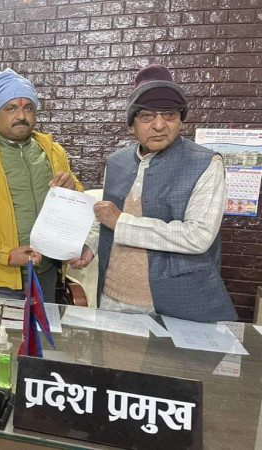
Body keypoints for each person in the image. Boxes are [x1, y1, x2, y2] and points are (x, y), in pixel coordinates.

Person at [70, 64, 237, 322]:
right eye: (147, 116)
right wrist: (91, 246)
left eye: (169, 115)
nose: (159, 125)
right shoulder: (117, 161)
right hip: (114, 297)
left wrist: (121, 222)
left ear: (180, 120)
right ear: (132, 124)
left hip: (178, 303)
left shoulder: (205, 163)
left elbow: (199, 236)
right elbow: (106, 219)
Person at [0, 68, 82, 302]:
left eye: (28, 108)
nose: (21, 115)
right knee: (1, 329)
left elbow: (76, 204)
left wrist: (73, 189)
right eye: (11, 108)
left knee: (43, 327)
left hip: (45, 273)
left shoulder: (54, 152)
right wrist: (7, 254)